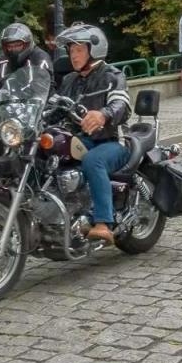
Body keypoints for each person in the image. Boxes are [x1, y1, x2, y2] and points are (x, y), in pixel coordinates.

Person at [55, 23, 133, 243]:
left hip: (112, 141)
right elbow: (54, 106)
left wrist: (103, 114)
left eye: (79, 50)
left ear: (94, 50)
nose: (74, 56)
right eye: (71, 51)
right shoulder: (70, 80)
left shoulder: (112, 75)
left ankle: (103, 223)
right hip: (83, 139)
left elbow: (122, 105)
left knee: (92, 161)